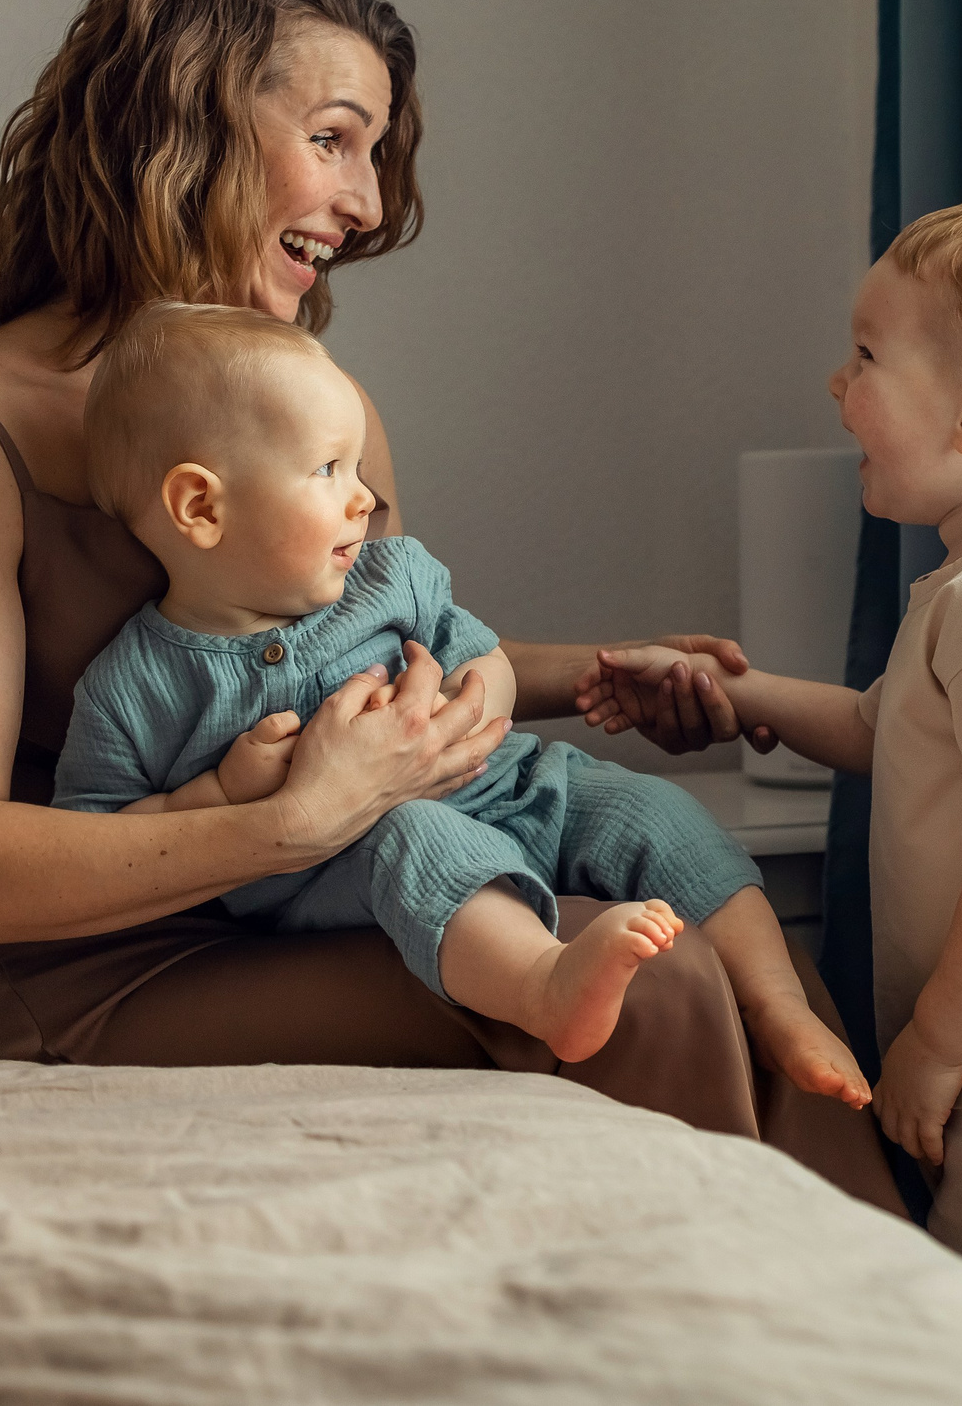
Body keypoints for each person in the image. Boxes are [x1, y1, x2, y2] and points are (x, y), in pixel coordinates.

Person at [0, 0, 894, 1209]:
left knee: (700, 935)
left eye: (376, 152)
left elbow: (388, 664)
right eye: (334, 139)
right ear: (188, 127)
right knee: (656, 987)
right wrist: (290, 818)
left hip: (321, 893)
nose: (371, 202)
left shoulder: (309, 408)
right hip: (83, 963)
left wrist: (608, 672)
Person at [582, 193, 962, 1347]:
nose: (834, 383)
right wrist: (735, 695)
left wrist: (937, 1044)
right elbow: (883, 732)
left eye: (864, 355)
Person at [50, 301, 870, 1099]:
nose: (363, 497)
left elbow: (485, 659)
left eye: (359, 468)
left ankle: (779, 1005)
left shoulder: (389, 574)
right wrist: (222, 794)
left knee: (652, 808)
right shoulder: (135, 686)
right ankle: (545, 985)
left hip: (514, 781)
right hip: (347, 863)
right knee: (413, 835)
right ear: (202, 506)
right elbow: (98, 848)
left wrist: (468, 704)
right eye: (328, 469)